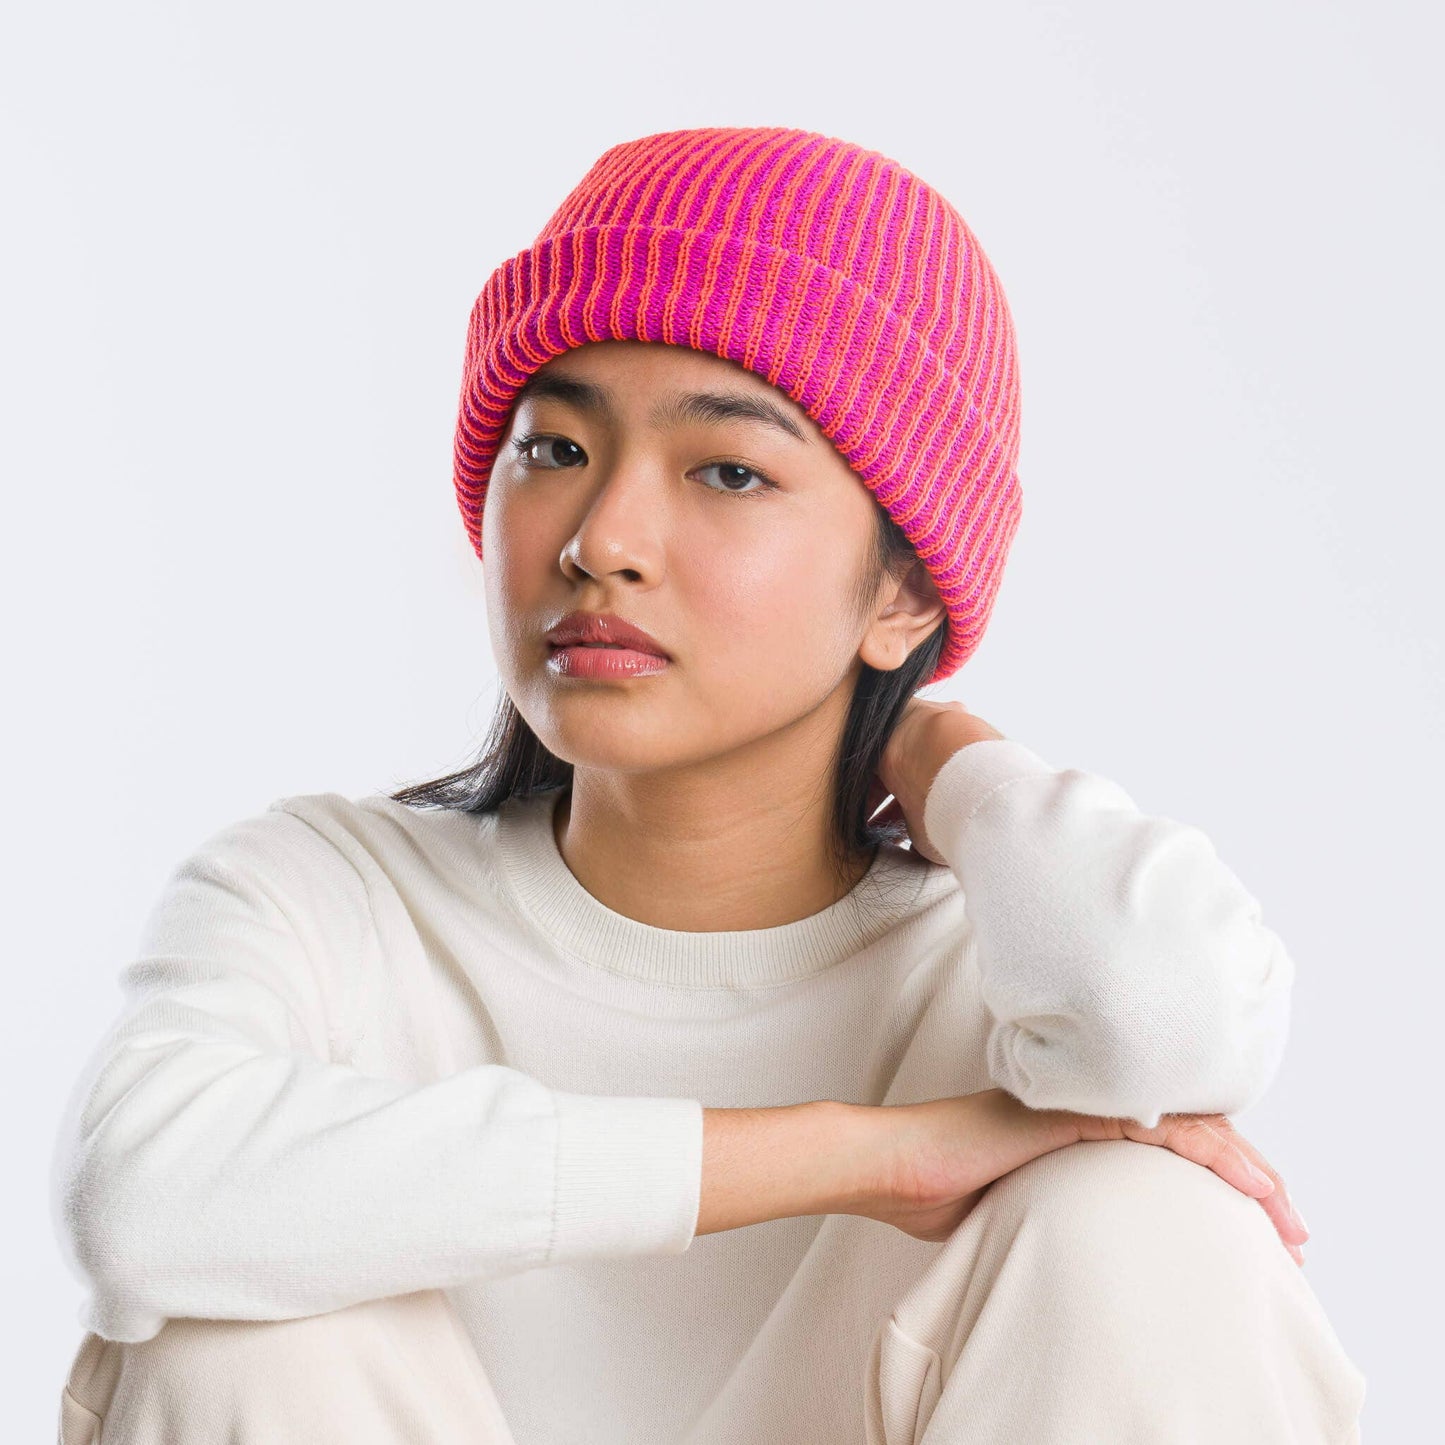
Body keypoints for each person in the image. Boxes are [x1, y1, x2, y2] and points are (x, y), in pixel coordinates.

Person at [50, 126, 1366, 1444]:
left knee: (1151, 1224)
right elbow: (139, 1199)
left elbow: (1155, 1018)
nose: (601, 540)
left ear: (904, 590)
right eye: (553, 450)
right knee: (236, 1303)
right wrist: (867, 1151)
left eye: (728, 470)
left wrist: (937, 751)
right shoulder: (333, 895)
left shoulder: (1017, 978)